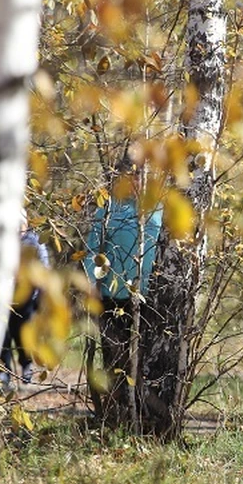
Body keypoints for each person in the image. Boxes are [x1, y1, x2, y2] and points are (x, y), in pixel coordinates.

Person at [83, 177, 162, 423]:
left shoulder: (159, 207)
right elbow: (93, 249)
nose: (137, 180)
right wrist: (90, 285)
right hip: (112, 297)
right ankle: (115, 414)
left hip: (150, 299)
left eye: (141, 174)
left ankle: (146, 413)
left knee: (146, 360)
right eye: (131, 175)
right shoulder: (108, 207)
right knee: (115, 358)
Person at [0, 210, 50, 390]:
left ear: (26, 225)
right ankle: (3, 370)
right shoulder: (1, 240)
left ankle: (26, 366)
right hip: (2, 295)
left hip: (26, 298)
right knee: (2, 334)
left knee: (22, 333)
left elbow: (44, 268)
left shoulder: (35, 242)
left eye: (20, 224)